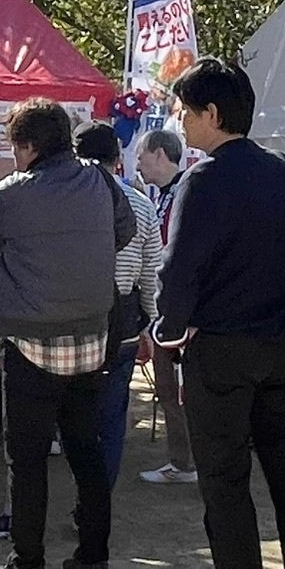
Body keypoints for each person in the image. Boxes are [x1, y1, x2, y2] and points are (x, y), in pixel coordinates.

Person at [155, 58, 285, 569]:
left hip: (222, 350)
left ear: (211, 114)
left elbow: (179, 269)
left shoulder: (203, 179)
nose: (181, 122)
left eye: (185, 111)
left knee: (226, 485)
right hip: (284, 347)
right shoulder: (282, 169)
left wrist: (167, 329)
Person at [0, 100, 137, 569]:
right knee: (86, 450)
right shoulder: (99, 179)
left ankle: (28, 565)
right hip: (91, 338)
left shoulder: (14, 192)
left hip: (31, 342)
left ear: (26, 147)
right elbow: (125, 229)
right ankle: (93, 560)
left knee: (27, 459)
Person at [79, 124, 161, 490]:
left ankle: (83, 488)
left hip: (73, 322)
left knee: (74, 413)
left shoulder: (65, 200)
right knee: (112, 415)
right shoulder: (142, 204)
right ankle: (101, 495)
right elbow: (152, 272)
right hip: (124, 324)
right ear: (117, 159)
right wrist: (152, 324)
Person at [134, 129, 198, 486]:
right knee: (168, 389)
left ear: (159, 153)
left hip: (182, 312)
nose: (137, 163)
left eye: (141, 155)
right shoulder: (159, 196)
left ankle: (188, 462)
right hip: (163, 310)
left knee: (186, 390)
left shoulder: (188, 191)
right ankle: (181, 460)